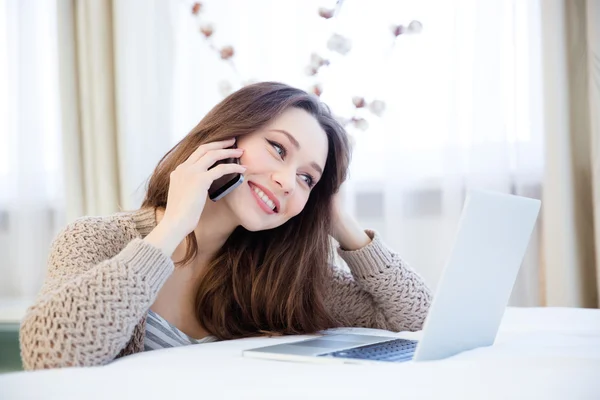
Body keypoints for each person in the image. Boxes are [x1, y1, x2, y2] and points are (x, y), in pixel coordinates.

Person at [19, 82, 432, 370]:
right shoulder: (99, 239)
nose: (288, 182)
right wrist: (173, 227)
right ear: (225, 138)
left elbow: (422, 321)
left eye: (308, 178)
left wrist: (343, 225)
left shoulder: (278, 271)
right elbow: (52, 352)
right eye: (277, 148)